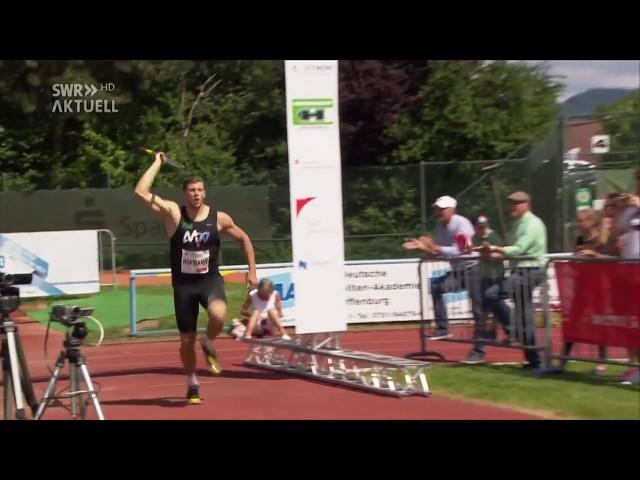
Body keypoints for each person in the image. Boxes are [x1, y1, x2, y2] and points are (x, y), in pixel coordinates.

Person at [135, 152, 258, 404]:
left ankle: (210, 341)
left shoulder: (219, 218)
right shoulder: (174, 214)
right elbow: (140, 191)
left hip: (208, 280)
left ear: (205, 193)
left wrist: (252, 271)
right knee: (185, 342)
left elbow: (244, 238)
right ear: (185, 194)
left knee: (219, 315)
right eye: (192, 190)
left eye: (200, 190)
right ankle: (192, 382)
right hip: (183, 286)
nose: (197, 194)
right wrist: (158, 162)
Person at [475, 191, 548, 370]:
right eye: (510, 203)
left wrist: (494, 248)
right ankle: (533, 361)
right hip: (521, 270)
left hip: (530, 271)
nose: (511, 207)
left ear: (526, 204)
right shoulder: (517, 224)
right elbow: (512, 249)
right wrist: (492, 251)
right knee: (526, 317)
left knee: (492, 294)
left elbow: (519, 249)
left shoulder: (532, 223)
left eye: (516, 203)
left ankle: (513, 330)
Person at [402, 195, 482, 342]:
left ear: (452, 210)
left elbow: (463, 249)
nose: (437, 212)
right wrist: (423, 248)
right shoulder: (440, 226)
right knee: (437, 287)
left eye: (441, 209)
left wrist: (433, 246)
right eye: (436, 209)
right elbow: (440, 251)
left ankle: (483, 346)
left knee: (478, 310)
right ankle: (442, 329)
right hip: (458, 271)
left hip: (474, 269)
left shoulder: (461, 224)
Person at [562, 207, 610, 375]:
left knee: (598, 322)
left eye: (581, 220)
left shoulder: (600, 240)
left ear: (590, 222)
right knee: (573, 321)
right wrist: (575, 260)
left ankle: (602, 363)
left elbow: (610, 260)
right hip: (581, 285)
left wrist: (593, 255)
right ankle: (564, 358)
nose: (579, 223)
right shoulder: (579, 239)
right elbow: (574, 259)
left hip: (598, 286)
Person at [461, 214, 506, 364]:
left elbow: (501, 253)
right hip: (485, 277)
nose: (481, 229)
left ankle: (508, 330)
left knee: (491, 307)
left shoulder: (494, 236)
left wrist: (486, 252)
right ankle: (488, 338)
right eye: (479, 226)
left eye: (483, 226)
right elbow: (469, 248)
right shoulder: (475, 237)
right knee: (484, 310)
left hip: (496, 277)